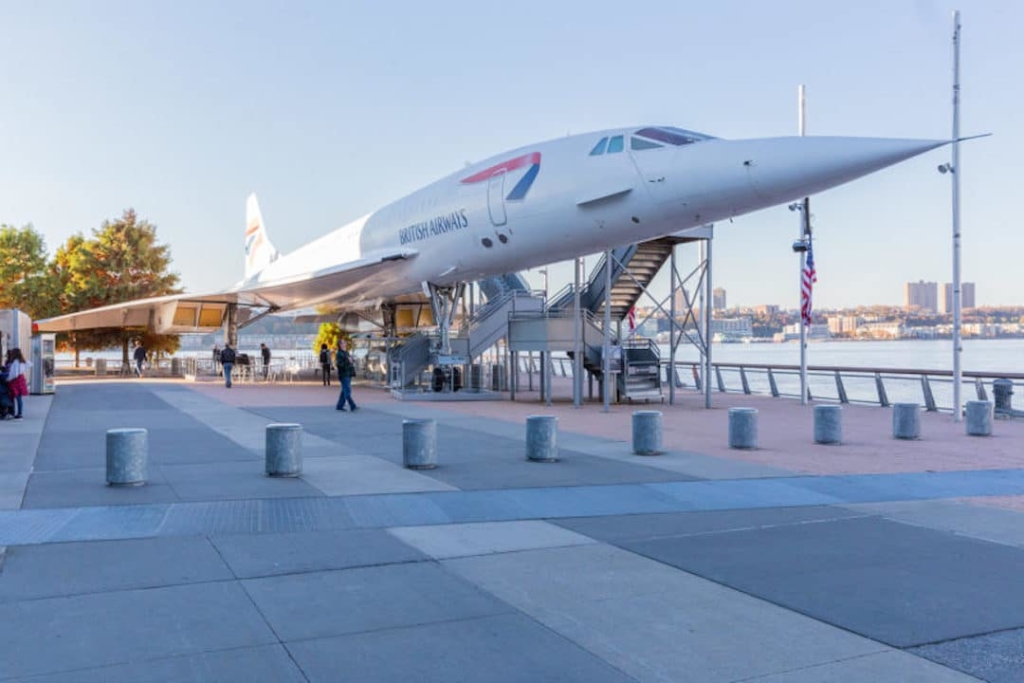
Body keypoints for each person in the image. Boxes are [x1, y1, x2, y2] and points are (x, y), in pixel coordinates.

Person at [6, 348, 32, 419]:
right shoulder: (22, 361)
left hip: (15, 381)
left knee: (14, 397)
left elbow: (15, 374)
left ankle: (16, 413)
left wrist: (8, 379)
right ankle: (19, 413)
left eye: (12, 353)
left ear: (14, 354)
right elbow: (29, 364)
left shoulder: (15, 362)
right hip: (21, 379)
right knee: (19, 398)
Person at [334, 339, 358, 411]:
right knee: (347, 390)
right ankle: (352, 405)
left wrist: (352, 360)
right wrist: (348, 361)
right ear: (340, 345)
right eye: (343, 343)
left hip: (348, 373)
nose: (345, 343)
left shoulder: (346, 352)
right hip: (344, 374)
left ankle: (339, 405)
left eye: (345, 342)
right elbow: (339, 364)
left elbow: (349, 361)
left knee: (344, 390)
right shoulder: (339, 354)